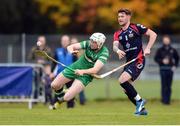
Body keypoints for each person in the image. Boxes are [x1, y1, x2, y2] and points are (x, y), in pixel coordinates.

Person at [113, 8, 157, 116]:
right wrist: (118, 50)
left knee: (122, 80)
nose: (120, 19)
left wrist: (148, 48)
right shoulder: (118, 33)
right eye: (118, 17)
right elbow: (114, 46)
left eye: (122, 16)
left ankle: (140, 101)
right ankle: (141, 110)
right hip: (129, 62)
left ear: (128, 17)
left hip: (138, 60)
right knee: (126, 89)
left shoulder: (136, 27)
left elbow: (153, 35)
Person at [50, 32, 109, 108]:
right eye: (91, 40)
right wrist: (71, 51)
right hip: (76, 66)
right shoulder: (88, 44)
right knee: (54, 85)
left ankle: (61, 99)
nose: (91, 43)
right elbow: (70, 47)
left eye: (94, 42)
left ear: (100, 44)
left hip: (87, 75)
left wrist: (82, 71)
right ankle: (62, 94)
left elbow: (95, 69)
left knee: (67, 98)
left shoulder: (104, 52)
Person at [52, 35, 75, 108]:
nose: (64, 42)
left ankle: (70, 107)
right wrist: (51, 72)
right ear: (61, 42)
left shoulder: (72, 51)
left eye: (66, 41)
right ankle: (54, 106)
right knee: (58, 91)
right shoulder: (57, 51)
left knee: (70, 92)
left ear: (69, 42)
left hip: (71, 75)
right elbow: (53, 62)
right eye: (63, 41)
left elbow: (76, 62)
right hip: (60, 75)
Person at [154, 35, 179, 105]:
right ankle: (163, 100)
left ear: (169, 40)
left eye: (167, 40)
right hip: (162, 69)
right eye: (165, 40)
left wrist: (175, 66)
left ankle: (168, 101)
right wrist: (162, 61)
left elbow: (177, 58)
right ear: (163, 41)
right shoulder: (160, 50)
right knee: (163, 85)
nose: (166, 41)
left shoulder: (173, 50)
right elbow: (156, 58)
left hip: (170, 69)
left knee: (169, 86)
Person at [29, 35, 52, 101]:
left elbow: (51, 60)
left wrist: (44, 62)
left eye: (42, 41)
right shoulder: (34, 49)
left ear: (45, 42)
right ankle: (35, 99)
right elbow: (29, 59)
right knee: (35, 85)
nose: (41, 42)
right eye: (40, 40)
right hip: (36, 70)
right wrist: (37, 62)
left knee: (47, 84)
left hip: (45, 70)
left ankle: (47, 99)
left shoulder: (48, 49)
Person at [70, 37, 86, 105]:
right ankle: (72, 101)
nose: (74, 44)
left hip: (80, 71)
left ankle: (82, 101)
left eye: (75, 42)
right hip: (72, 70)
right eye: (72, 43)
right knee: (72, 87)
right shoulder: (70, 51)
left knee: (80, 87)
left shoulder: (82, 51)